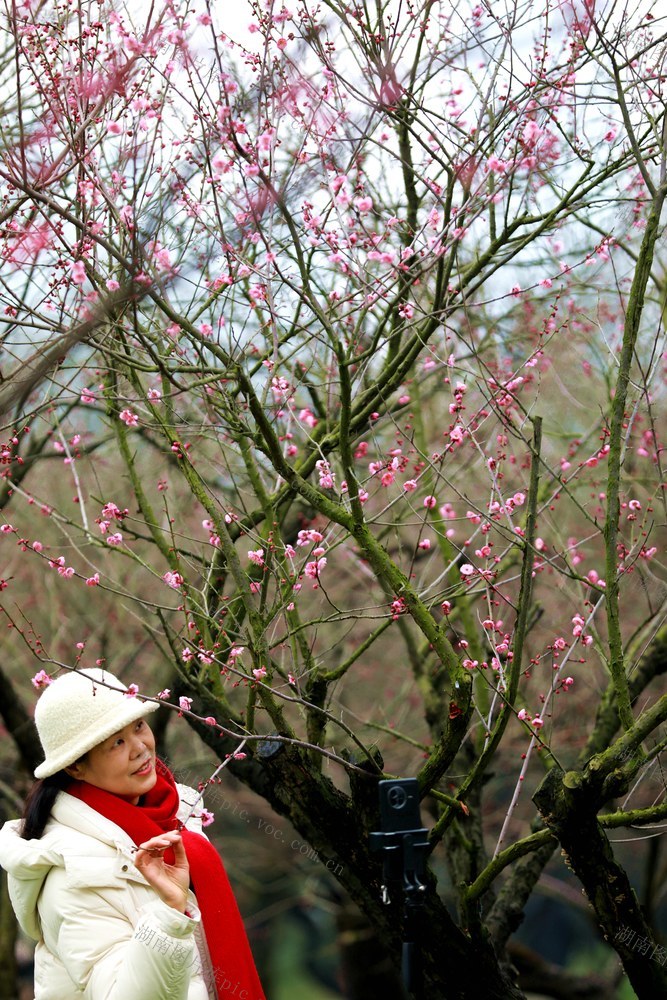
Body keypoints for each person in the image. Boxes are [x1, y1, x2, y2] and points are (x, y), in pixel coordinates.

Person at [0, 667, 265, 1000]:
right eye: (117, 742)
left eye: (138, 726)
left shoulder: (177, 813)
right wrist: (168, 917)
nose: (140, 747)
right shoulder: (70, 876)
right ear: (75, 767)